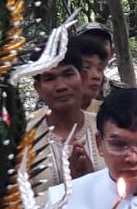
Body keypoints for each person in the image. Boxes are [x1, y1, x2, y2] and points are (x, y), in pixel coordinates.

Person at [25, 38, 101, 198]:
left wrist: (92, 180)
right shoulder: (24, 140)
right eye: (49, 78)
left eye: (68, 74)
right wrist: (70, 188)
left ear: (82, 77)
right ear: (38, 88)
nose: (61, 86)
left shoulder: (105, 129)